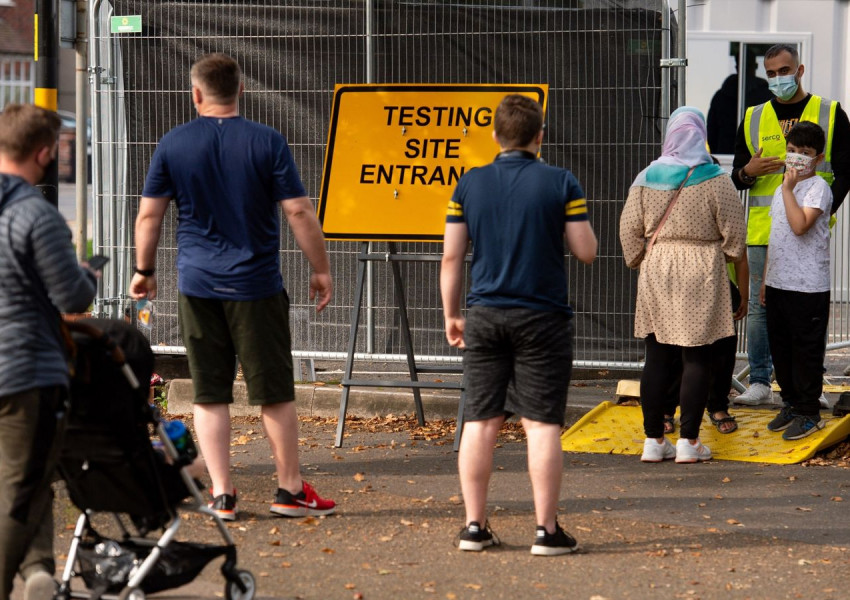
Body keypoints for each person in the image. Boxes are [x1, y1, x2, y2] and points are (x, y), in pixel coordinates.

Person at [129, 53, 335, 522]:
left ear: (196, 94)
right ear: (241, 90)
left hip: (197, 284)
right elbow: (299, 212)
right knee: (274, 391)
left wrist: (144, 269)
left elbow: (149, 215)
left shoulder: (173, 144)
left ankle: (223, 495)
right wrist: (320, 269)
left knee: (209, 392)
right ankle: (288, 491)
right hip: (257, 285)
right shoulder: (267, 141)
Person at [441, 94, 597, 556]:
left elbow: (452, 256)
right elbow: (586, 251)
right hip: (542, 316)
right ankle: (546, 531)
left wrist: (452, 313)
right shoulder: (560, 181)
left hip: (485, 314)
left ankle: (474, 526)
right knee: (542, 423)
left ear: (495, 136)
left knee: (480, 420)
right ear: (539, 137)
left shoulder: (468, 184)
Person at [0, 104, 98, 600]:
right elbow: (72, 297)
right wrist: (90, 275)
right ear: (42, 152)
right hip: (22, 368)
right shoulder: (36, 215)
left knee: (26, 479)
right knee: (23, 484)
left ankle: (38, 568)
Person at [620, 107, 747, 464]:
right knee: (697, 355)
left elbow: (629, 228)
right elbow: (735, 234)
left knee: (657, 356)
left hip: (658, 266)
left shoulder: (647, 176)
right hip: (702, 269)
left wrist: (639, 258)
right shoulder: (715, 178)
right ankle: (689, 443)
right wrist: (724, 254)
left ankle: (653, 440)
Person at [731, 43, 850, 407]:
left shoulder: (829, 112)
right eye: (771, 73)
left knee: (802, 312)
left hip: (806, 228)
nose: (778, 78)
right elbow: (738, 177)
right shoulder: (753, 116)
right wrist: (748, 172)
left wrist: (824, 211)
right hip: (763, 230)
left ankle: (800, 390)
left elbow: (844, 171)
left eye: (784, 71)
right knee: (760, 308)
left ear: (799, 70)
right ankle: (761, 380)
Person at [761, 121, 832, 440]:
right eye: (791, 151)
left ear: (818, 158)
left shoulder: (819, 188)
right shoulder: (779, 190)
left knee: (805, 350)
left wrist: (789, 190)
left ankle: (808, 411)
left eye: (805, 153)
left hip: (808, 286)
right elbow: (776, 236)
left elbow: (800, 224)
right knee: (782, 349)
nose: (796, 158)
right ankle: (790, 402)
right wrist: (765, 280)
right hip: (779, 282)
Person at [706, 52, 773, 154]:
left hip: (727, 153)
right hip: (756, 154)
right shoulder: (765, 94)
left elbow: (711, 131)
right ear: (756, 66)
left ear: (737, 67)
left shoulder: (721, 95)